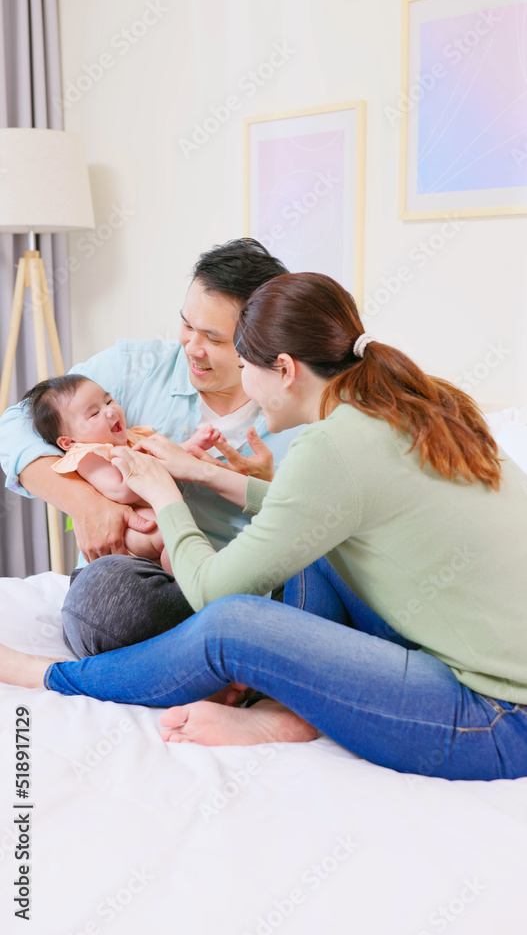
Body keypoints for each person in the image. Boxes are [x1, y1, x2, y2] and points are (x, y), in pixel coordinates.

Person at [2, 271, 527, 781]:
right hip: (466, 667)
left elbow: (214, 595)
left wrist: (163, 492)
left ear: (284, 368)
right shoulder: (403, 408)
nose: (244, 387)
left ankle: (50, 678)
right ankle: (286, 708)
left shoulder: (331, 445)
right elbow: (311, 515)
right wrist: (205, 473)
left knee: (231, 625)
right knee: (312, 551)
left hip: (501, 717)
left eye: (243, 363)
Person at [0, 238, 303, 654]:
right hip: (138, 579)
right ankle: (225, 657)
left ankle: (213, 654)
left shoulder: (296, 415)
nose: (192, 348)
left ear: (259, 340)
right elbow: (15, 423)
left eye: (213, 339)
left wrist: (260, 489)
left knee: (313, 590)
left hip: (231, 586)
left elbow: (306, 526)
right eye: (187, 325)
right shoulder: (132, 367)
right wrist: (88, 504)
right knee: (108, 604)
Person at [21, 374, 223, 573]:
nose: (110, 411)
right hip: (126, 529)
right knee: (169, 532)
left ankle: (182, 583)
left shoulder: (132, 437)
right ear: (69, 442)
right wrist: (163, 468)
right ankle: (184, 590)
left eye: (109, 401)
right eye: (94, 414)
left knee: (180, 532)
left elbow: (168, 455)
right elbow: (120, 490)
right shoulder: (88, 454)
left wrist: (189, 447)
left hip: (144, 516)